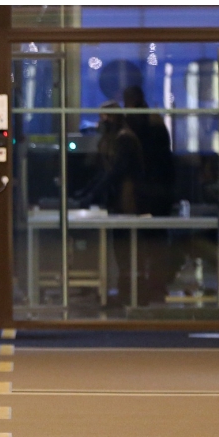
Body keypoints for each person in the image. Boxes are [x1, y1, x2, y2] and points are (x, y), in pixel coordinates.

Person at [75, 100, 147, 307]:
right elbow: (105, 172)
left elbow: (115, 172)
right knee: (120, 251)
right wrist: (88, 192)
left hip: (128, 202)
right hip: (119, 201)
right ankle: (126, 294)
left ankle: (131, 295)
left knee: (126, 251)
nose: (101, 123)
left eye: (104, 118)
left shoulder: (125, 139)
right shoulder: (116, 139)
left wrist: (92, 194)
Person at [123, 85, 177, 304]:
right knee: (157, 240)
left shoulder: (138, 123)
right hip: (161, 188)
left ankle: (146, 286)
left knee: (146, 241)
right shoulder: (155, 121)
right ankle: (156, 285)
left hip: (148, 190)